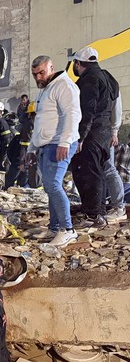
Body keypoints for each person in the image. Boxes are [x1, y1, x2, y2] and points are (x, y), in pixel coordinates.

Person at [28, 55, 81, 247]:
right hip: (47, 144)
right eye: (35, 74)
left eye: (42, 72)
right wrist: (32, 147)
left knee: (53, 185)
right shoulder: (45, 89)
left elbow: (72, 115)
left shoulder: (64, 86)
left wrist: (65, 142)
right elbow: (41, 121)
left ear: (52, 67)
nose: (38, 78)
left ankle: (67, 230)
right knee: (50, 187)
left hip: (59, 143)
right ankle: (54, 227)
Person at [70, 46, 121, 229]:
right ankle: (95, 210)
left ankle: (94, 215)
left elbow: (87, 111)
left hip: (92, 133)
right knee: (96, 172)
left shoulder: (89, 79)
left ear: (78, 63)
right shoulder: (107, 77)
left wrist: (81, 137)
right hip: (104, 132)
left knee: (89, 173)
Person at [104, 94, 125, 222]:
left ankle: (119, 207)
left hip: (104, 132)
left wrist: (114, 132)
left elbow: (116, 109)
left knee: (108, 169)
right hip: (95, 132)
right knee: (102, 170)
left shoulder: (109, 83)